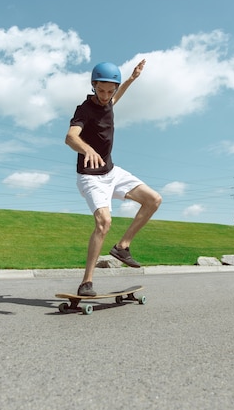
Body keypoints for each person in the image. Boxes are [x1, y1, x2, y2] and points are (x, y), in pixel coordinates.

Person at [65, 59, 162, 296]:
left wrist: (131, 79)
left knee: (153, 199)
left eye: (110, 91)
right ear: (93, 86)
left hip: (112, 172)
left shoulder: (109, 102)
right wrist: (86, 148)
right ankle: (86, 282)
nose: (106, 95)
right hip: (90, 177)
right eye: (101, 90)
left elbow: (115, 99)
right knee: (104, 223)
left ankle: (122, 247)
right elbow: (70, 137)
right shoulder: (84, 109)